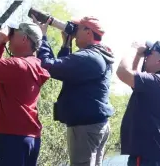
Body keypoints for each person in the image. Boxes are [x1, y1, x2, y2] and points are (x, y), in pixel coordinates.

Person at [32, 15, 114, 166]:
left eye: (78, 28)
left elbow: (48, 66)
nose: (74, 32)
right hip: (95, 124)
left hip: (85, 127)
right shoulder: (100, 54)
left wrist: (43, 37)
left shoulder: (88, 57)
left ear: (89, 32)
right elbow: (65, 72)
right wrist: (66, 45)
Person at [0, 22, 50, 166]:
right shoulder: (32, 64)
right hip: (28, 138)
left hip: (12, 139)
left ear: (24, 39)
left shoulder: (19, 66)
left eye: (13, 34)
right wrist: (1, 44)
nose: (9, 37)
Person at [116, 41, 160, 166]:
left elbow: (123, 72)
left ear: (159, 61)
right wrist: (139, 56)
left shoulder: (158, 82)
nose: (147, 55)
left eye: (150, 53)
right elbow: (133, 74)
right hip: (152, 157)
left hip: (151, 159)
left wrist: (134, 49)